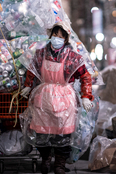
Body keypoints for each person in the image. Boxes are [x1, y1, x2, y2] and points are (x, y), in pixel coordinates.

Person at [20, 22, 93, 174]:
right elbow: (31, 70)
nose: (57, 39)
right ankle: (45, 160)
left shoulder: (73, 57)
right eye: (55, 35)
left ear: (66, 39)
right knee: (42, 133)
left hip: (65, 99)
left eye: (61, 36)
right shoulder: (40, 54)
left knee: (63, 134)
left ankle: (59, 164)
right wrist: (28, 85)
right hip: (43, 96)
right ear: (50, 35)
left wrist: (86, 96)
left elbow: (85, 76)